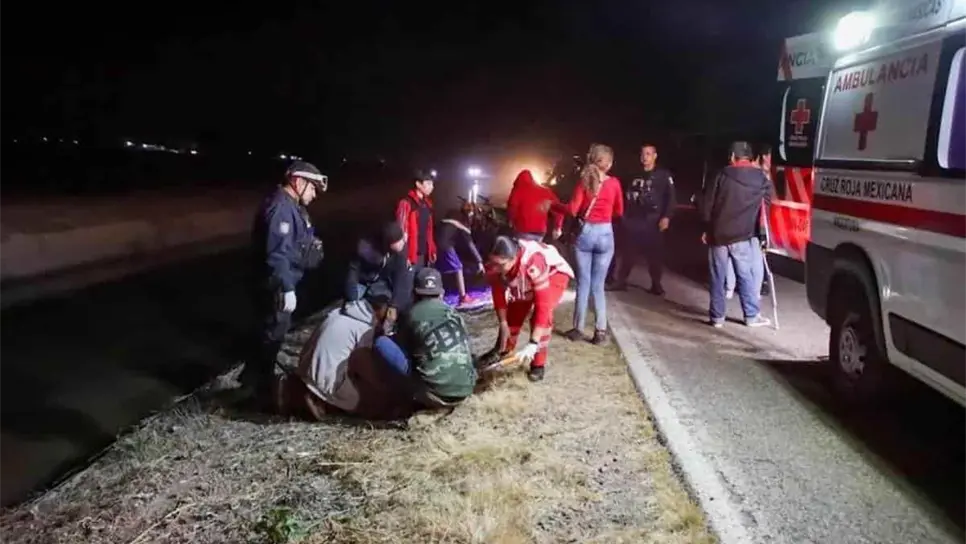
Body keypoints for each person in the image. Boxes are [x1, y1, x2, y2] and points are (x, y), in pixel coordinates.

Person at [242, 160, 328, 405]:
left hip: (285, 280)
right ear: (298, 182)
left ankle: (254, 378)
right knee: (271, 334)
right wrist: (286, 288)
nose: (314, 194)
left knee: (271, 333)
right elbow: (277, 254)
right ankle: (259, 387)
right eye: (312, 188)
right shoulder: (280, 208)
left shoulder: (294, 207)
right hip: (275, 285)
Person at [275, 296, 411, 420]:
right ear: (380, 309)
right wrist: (385, 391)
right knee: (373, 403)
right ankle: (323, 402)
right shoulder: (364, 328)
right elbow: (364, 364)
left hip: (307, 373)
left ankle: (307, 393)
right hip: (326, 382)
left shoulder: (337, 314)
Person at [372, 268, 478, 408]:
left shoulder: (410, 314)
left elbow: (404, 349)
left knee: (382, 343)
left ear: (414, 293)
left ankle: (397, 396)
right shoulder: (455, 314)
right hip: (466, 389)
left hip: (434, 393)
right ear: (441, 293)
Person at [701, 141, 773, 328]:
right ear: (750, 158)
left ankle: (717, 318)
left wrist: (706, 229)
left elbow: (707, 204)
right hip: (743, 235)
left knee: (717, 276)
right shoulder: (761, 179)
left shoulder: (721, 175)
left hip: (718, 235)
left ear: (732, 157)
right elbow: (765, 207)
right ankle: (751, 315)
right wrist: (763, 234)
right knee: (745, 275)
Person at [484, 235, 574, 382]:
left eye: (501, 265)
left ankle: (538, 363)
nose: (496, 268)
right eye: (494, 264)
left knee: (542, 320)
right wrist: (503, 323)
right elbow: (498, 292)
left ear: (514, 258)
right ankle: (504, 349)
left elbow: (543, 306)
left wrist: (533, 343)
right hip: (524, 276)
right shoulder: (495, 264)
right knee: (514, 312)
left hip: (553, 275)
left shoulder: (533, 263)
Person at [559, 143, 624, 345]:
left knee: (583, 282)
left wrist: (554, 206)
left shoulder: (584, 182)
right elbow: (619, 211)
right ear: (609, 163)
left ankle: (578, 329)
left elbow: (572, 209)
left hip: (586, 233)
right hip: (605, 233)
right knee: (599, 285)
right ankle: (600, 332)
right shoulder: (614, 184)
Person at [607, 144, 676, 295]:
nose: (645, 157)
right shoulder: (633, 174)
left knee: (655, 254)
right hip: (633, 218)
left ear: (655, 156)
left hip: (653, 220)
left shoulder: (663, 175)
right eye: (643, 154)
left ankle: (656, 284)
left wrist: (666, 217)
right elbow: (623, 194)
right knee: (628, 252)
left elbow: (670, 198)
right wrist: (622, 215)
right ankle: (621, 281)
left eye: (648, 154)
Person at [345, 221, 414, 333]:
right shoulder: (366, 248)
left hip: (381, 283)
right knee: (351, 307)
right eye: (397, 243)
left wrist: (394, 305)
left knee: (387, 304)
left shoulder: (401, 250)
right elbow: (353, 272)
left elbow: (402, 279)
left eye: (402, 241)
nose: (402, 244)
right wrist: (352, 298)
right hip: (363, 281)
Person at [435, 208, 485, 306]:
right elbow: (470, 244)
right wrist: (479, 261)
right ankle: (463, 297)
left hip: (435, 243)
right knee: (458, 267)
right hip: (445, 245)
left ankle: (438, 296)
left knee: (439, 269)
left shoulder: (444, 222)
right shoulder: (461, 226)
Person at [506, 168, 564, 242]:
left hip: (522, 230)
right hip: (540, 232)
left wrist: (511, 221)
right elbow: (559, 209)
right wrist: (558, 227)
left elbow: (512, 208)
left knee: (522, 252)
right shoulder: (546, 191)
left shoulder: (518, 191)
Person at [395, 170, 437, 268]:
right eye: (428, 184)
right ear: (418, 184)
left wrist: (432, 250)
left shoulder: (428, 204)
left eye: (432, 184)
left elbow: (429, 230)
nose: (432, 187)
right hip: (409, 255)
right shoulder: (406, 203)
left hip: (423, 253)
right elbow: (400, 231)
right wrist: (405, 255)